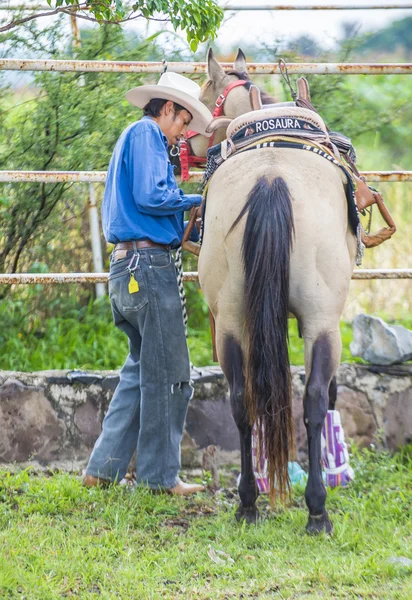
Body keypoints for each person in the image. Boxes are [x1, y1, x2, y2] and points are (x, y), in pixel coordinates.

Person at [83, 72, 213, 495]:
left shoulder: (136, 139)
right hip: (148, 267)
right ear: (167, 109)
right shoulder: (146, 134)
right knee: (172, 374)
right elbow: (152, 196)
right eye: (182, 121)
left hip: (128, 268)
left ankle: (102, 469)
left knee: (140, 373)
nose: (183, 132)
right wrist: (199, 199)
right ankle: (159, 479)